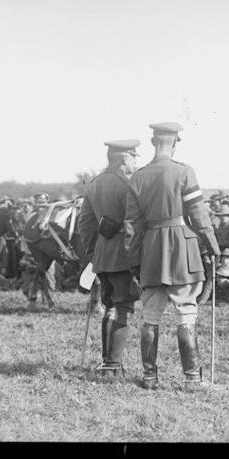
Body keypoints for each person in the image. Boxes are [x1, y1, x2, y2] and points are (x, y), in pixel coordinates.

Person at [125, 122, 221, 390]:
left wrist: (134, 261)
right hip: (182, 249)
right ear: (175, 142)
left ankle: (149, 377)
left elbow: (131, 226)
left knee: (151, 315)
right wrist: (213, 246)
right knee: (186, 312)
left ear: (153, 143)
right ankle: (192, 379)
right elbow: (199, 215)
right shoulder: (183, 171)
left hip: (151, 250)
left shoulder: (138, 177)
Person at [77, 138, 142, 378]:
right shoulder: (126, 185)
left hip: (103, 257)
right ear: (125, 158)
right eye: (134, 157)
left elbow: (85, 224)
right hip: (124, 255)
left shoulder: (94, 184)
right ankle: (112, 366)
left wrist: (95, 253)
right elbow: (136, 222)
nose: (136, 161)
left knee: (110, 307)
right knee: (123, 306)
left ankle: (108, 363)